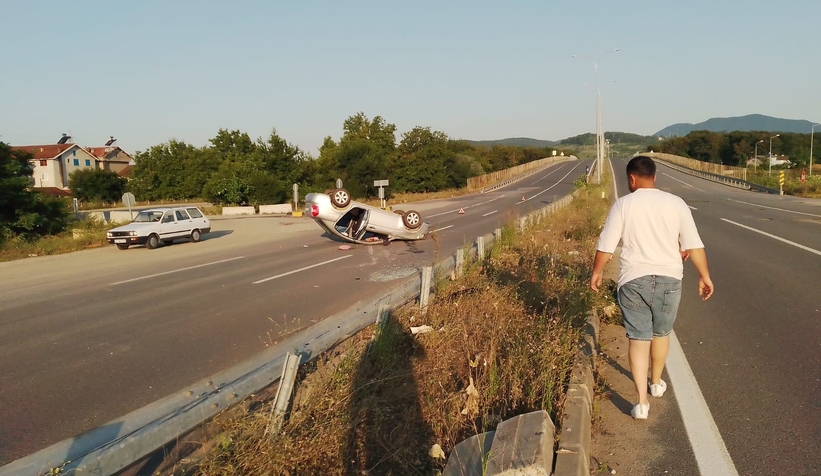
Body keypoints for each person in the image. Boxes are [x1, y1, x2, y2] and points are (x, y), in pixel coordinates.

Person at [590, 155, 714, 420]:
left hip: (634, 280)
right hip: (670, 279)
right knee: (661, 333)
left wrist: (597, 272)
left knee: (638, 339)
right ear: (655, 177)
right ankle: (656, 383)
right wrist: (704, 276)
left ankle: (641, 403)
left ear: (631, 178)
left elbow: (606, 246)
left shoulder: (623, 204)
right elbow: (693, 245)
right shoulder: (676, 203)